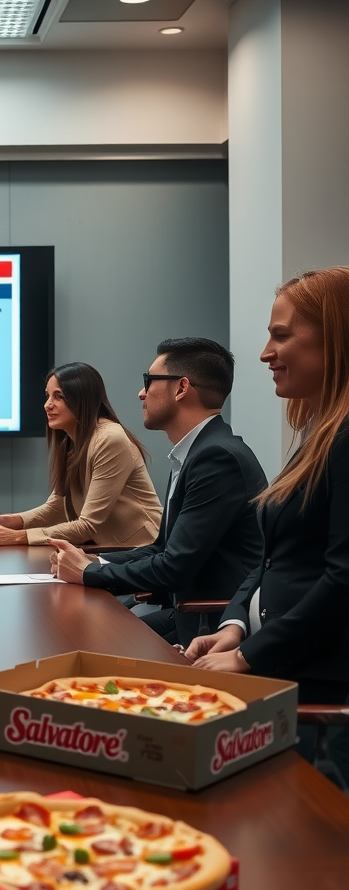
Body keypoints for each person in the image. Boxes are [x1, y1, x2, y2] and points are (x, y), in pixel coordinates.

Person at [186, 269, 349, 708]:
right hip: (278, 663)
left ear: (335, 339)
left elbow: (343, 580)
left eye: (281, 335)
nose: (265, 353)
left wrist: (248, 656)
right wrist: (234, 626)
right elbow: (272, 560)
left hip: (315, 687)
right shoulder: (318, 435)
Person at [49, 339, 267, 646]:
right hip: (187, 613)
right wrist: (91, 561)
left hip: (213, 628)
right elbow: (161, 548)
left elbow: (173, 568)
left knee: (92, 642)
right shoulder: (196, 452)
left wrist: (88, 573)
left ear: (181, 388)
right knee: (87, 634)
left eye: (148, 381)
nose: (142, 393)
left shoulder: (216, 458)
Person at [0, 362, 161, 549]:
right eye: (48, 396)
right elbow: (57, 507)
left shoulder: (110, 439)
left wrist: (15, 536)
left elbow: (87, 526)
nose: (47, 405)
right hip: (113, 550)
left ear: (82, 399)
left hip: (146, 549)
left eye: (59, 396)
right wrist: (7, 521)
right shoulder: (71, 441)